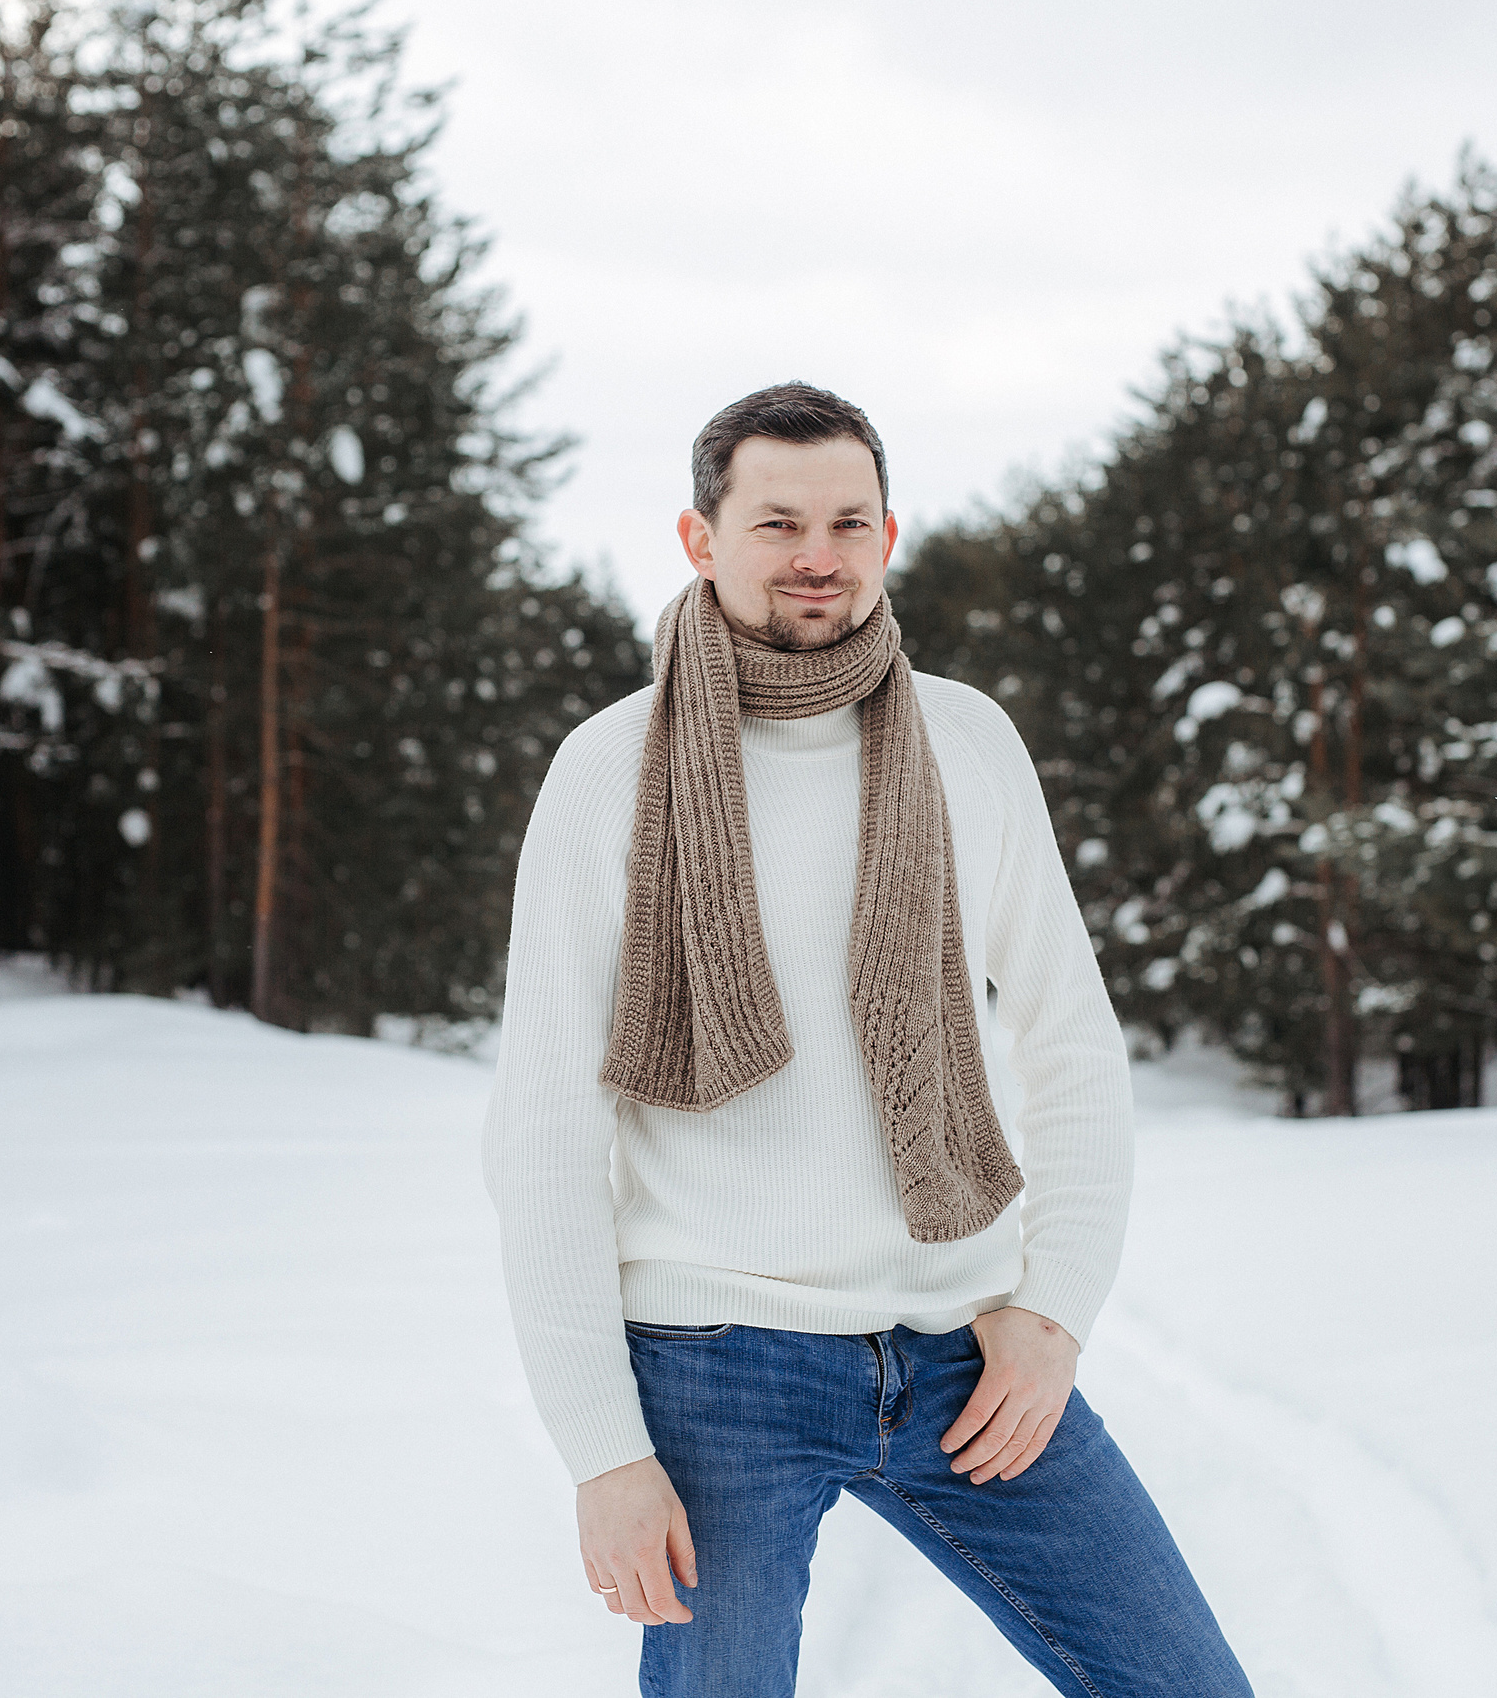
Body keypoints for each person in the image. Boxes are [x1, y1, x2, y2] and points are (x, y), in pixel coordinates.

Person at [482, 382, 1251, 1697]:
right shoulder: (611, 771)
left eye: (850, 520)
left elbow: (1070, 1039)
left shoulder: (968, 743)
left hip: (967, 1360)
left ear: (888, 534)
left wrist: (1052, 1313)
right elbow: (545, 1131)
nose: (817, 555)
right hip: (718, 1372)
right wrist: (603, 1453)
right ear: (698, 536)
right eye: (777, 521)